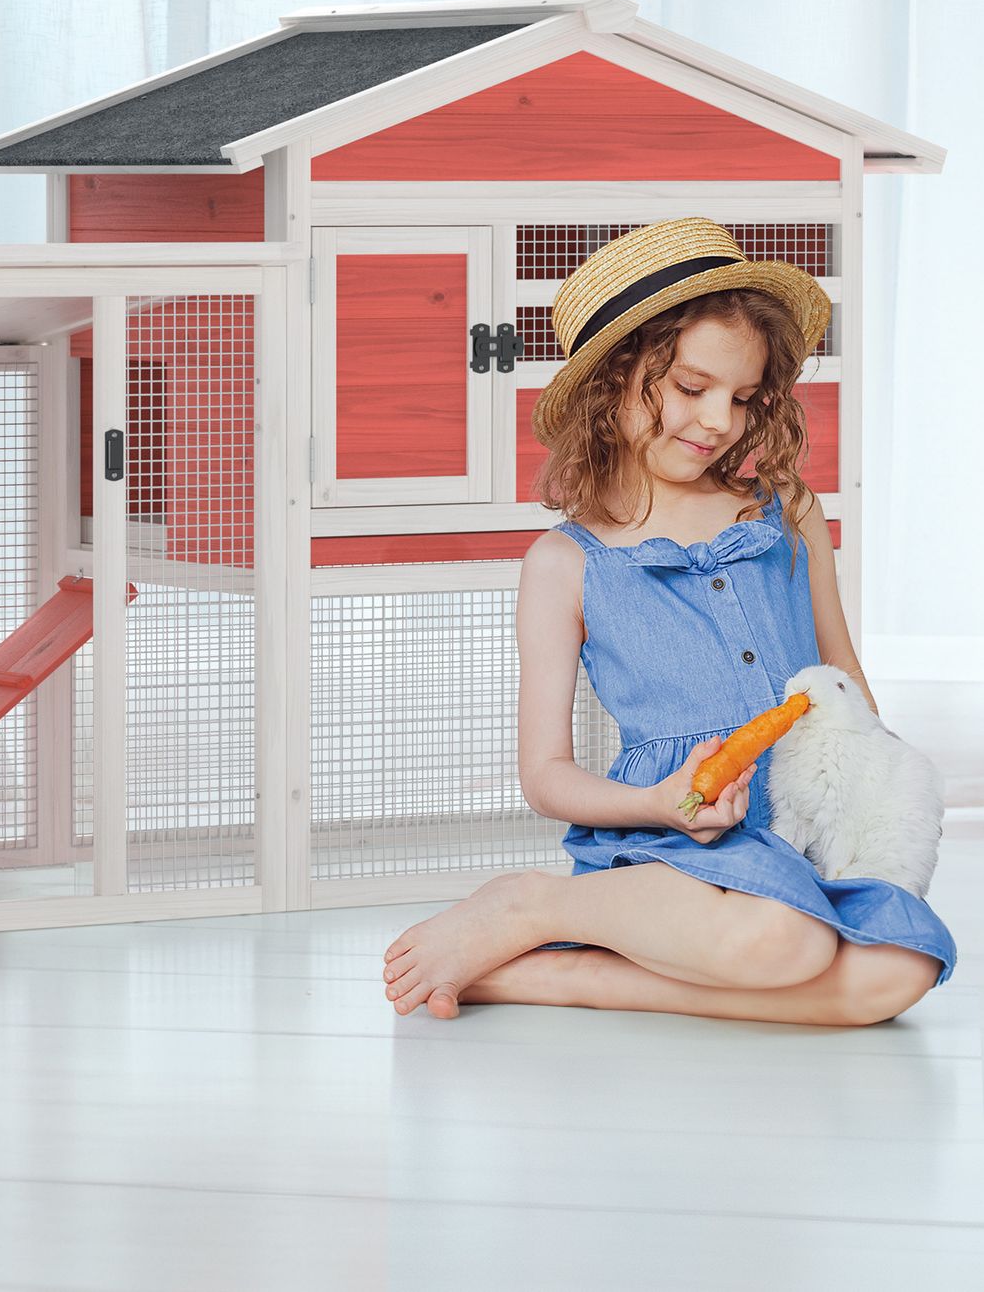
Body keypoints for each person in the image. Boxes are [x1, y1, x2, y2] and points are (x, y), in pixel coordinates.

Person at [380, 217, 958, 1024]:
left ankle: (555, 975)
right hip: (672, 845)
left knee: (902, 968)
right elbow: (546, 776)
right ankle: (536, 904)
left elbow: (844, 679)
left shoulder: (788, 514)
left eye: (742, 398)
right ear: (611, 381)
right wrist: (659, 801)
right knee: (783, 940)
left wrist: (883, 802)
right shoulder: (565, 563)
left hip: (803, 829)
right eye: (692, 388)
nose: (720, 420)